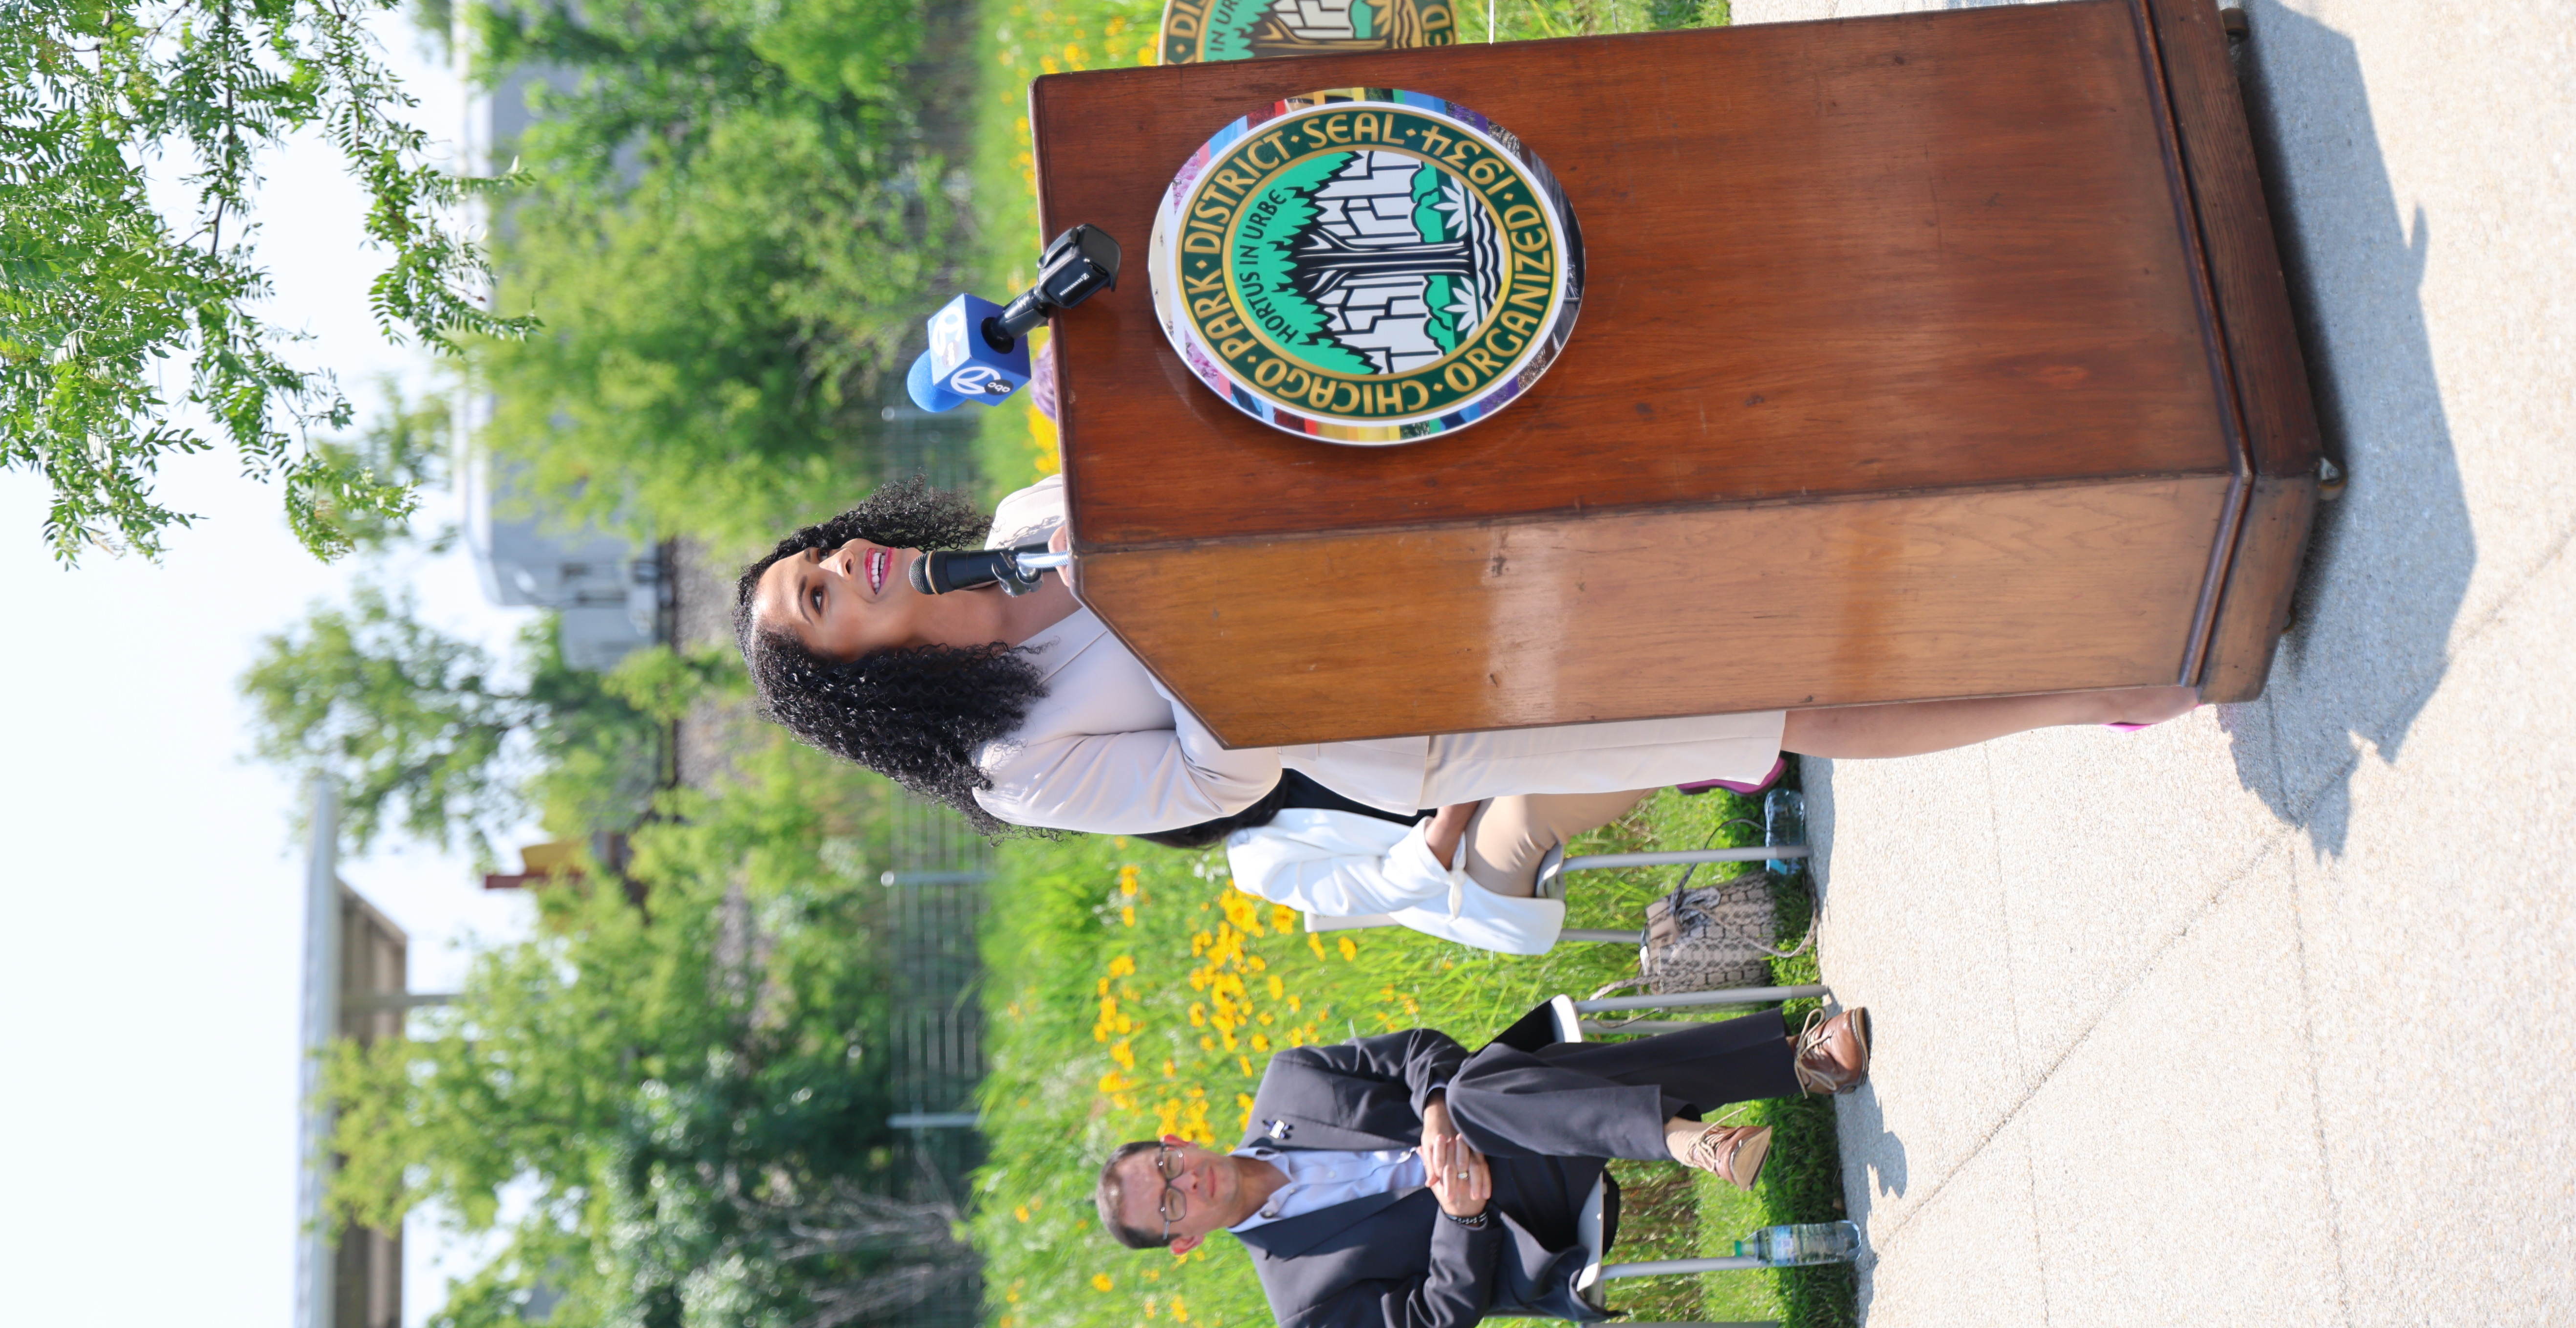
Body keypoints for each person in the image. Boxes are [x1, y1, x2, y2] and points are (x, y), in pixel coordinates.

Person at [734, 475, 2197, 834]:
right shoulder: (1008, 767)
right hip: (1419, 713)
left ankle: (2059, 563)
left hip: (1421, 551)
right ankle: (2095, 693)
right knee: (1772, 706)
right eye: (818, 608)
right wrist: (1196, 628)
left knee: (1734, 567)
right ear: (855, 673)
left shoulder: (1025, 513)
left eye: (816, 560)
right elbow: (1210, 786)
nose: (836, 573)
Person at [1093, 1000, 1870, 1328]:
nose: (1184, 1184)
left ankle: (1698, 1130)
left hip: (1517, 1109)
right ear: (1186, 1242)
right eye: (1169, 1208)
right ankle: (1774, 1076)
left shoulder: (1292, 1081)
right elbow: (1437, 1317)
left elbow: (1423, 1052)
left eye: (1167, 1167)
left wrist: (1433, 1114)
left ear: (1177, 1139)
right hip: (1523, 1223)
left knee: (1470, 1097)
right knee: (1503, 1094)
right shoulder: (1304, 1304)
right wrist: (1463, 1217)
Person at [1148, 779, 1669, 958]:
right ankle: (1712, 749)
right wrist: (1457, 800)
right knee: (1526, 805)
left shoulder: (1265, 740)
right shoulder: (1258, 863)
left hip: (1472, 763)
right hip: (1466, 865)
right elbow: (1397, 883)